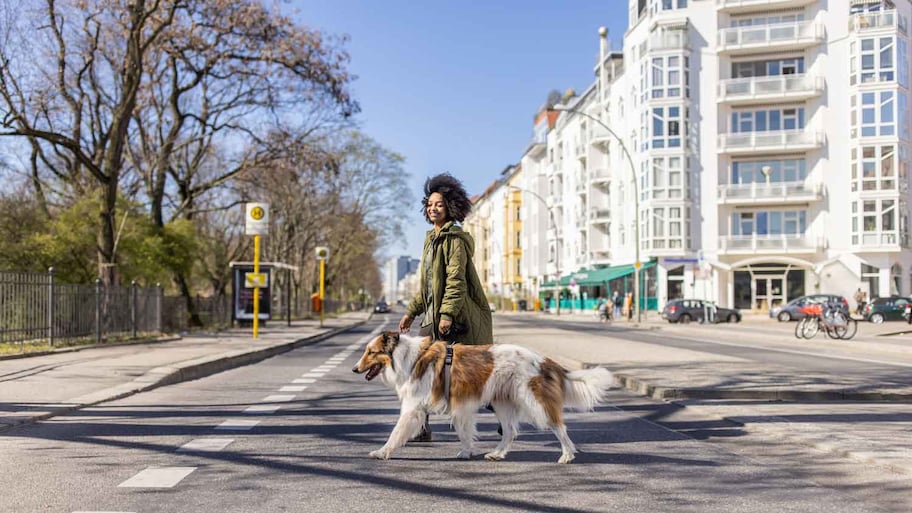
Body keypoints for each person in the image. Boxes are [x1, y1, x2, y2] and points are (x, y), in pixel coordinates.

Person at [398, 173, 494, 442]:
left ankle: (503, 410)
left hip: (454, 317)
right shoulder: (432, 239)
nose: (432, 208)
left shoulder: (455, 240)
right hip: (432, 316)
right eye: (429, 204)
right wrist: (411, 311)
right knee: (423, 369)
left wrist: (448, 314)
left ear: (450, 206)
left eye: (438, 204)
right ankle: (420, 427)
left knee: (469, 371)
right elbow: (428, 285)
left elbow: (455, 280)